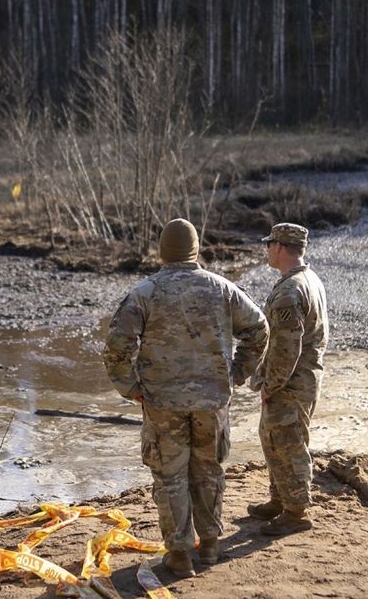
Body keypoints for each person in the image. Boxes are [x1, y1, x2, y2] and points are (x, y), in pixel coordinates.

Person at [104, 218, 269, 577]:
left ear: (163, 251)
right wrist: (237, 374)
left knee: (170, 476)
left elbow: (117, 346)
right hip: (213, 401)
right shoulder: (223, 288)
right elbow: (259, 329)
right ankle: (209, 544)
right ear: (196, 249)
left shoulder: (145, 293)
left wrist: (130, 387)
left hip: (162, 403)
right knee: (209, 471)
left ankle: (179, 553)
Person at [247, 222, 328, 536]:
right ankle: (280, 500)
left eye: (269, 244)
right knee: (274, 439)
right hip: (301, 378)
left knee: (289, 443)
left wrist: (271, 385)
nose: (267, 249)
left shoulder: (291, 290)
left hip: (291, 382)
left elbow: (287, 348)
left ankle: (296, 512)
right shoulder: (306, 279)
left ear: (280, 247)